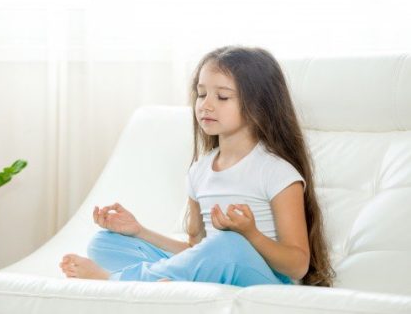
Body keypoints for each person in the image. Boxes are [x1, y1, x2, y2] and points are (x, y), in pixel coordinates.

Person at [59, 46, 335, 287]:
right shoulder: (200, 170)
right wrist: (139, 231)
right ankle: (162, 283)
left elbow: (297, 265)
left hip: (267, 281)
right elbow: (194, 250)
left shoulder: (276, 172)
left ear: (258, 105)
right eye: (202, 95)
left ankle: (117, 281)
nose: (206, 106)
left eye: (222, 97)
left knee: (228, 245)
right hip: (213, 263)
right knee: (104, 243)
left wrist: (250, 235)